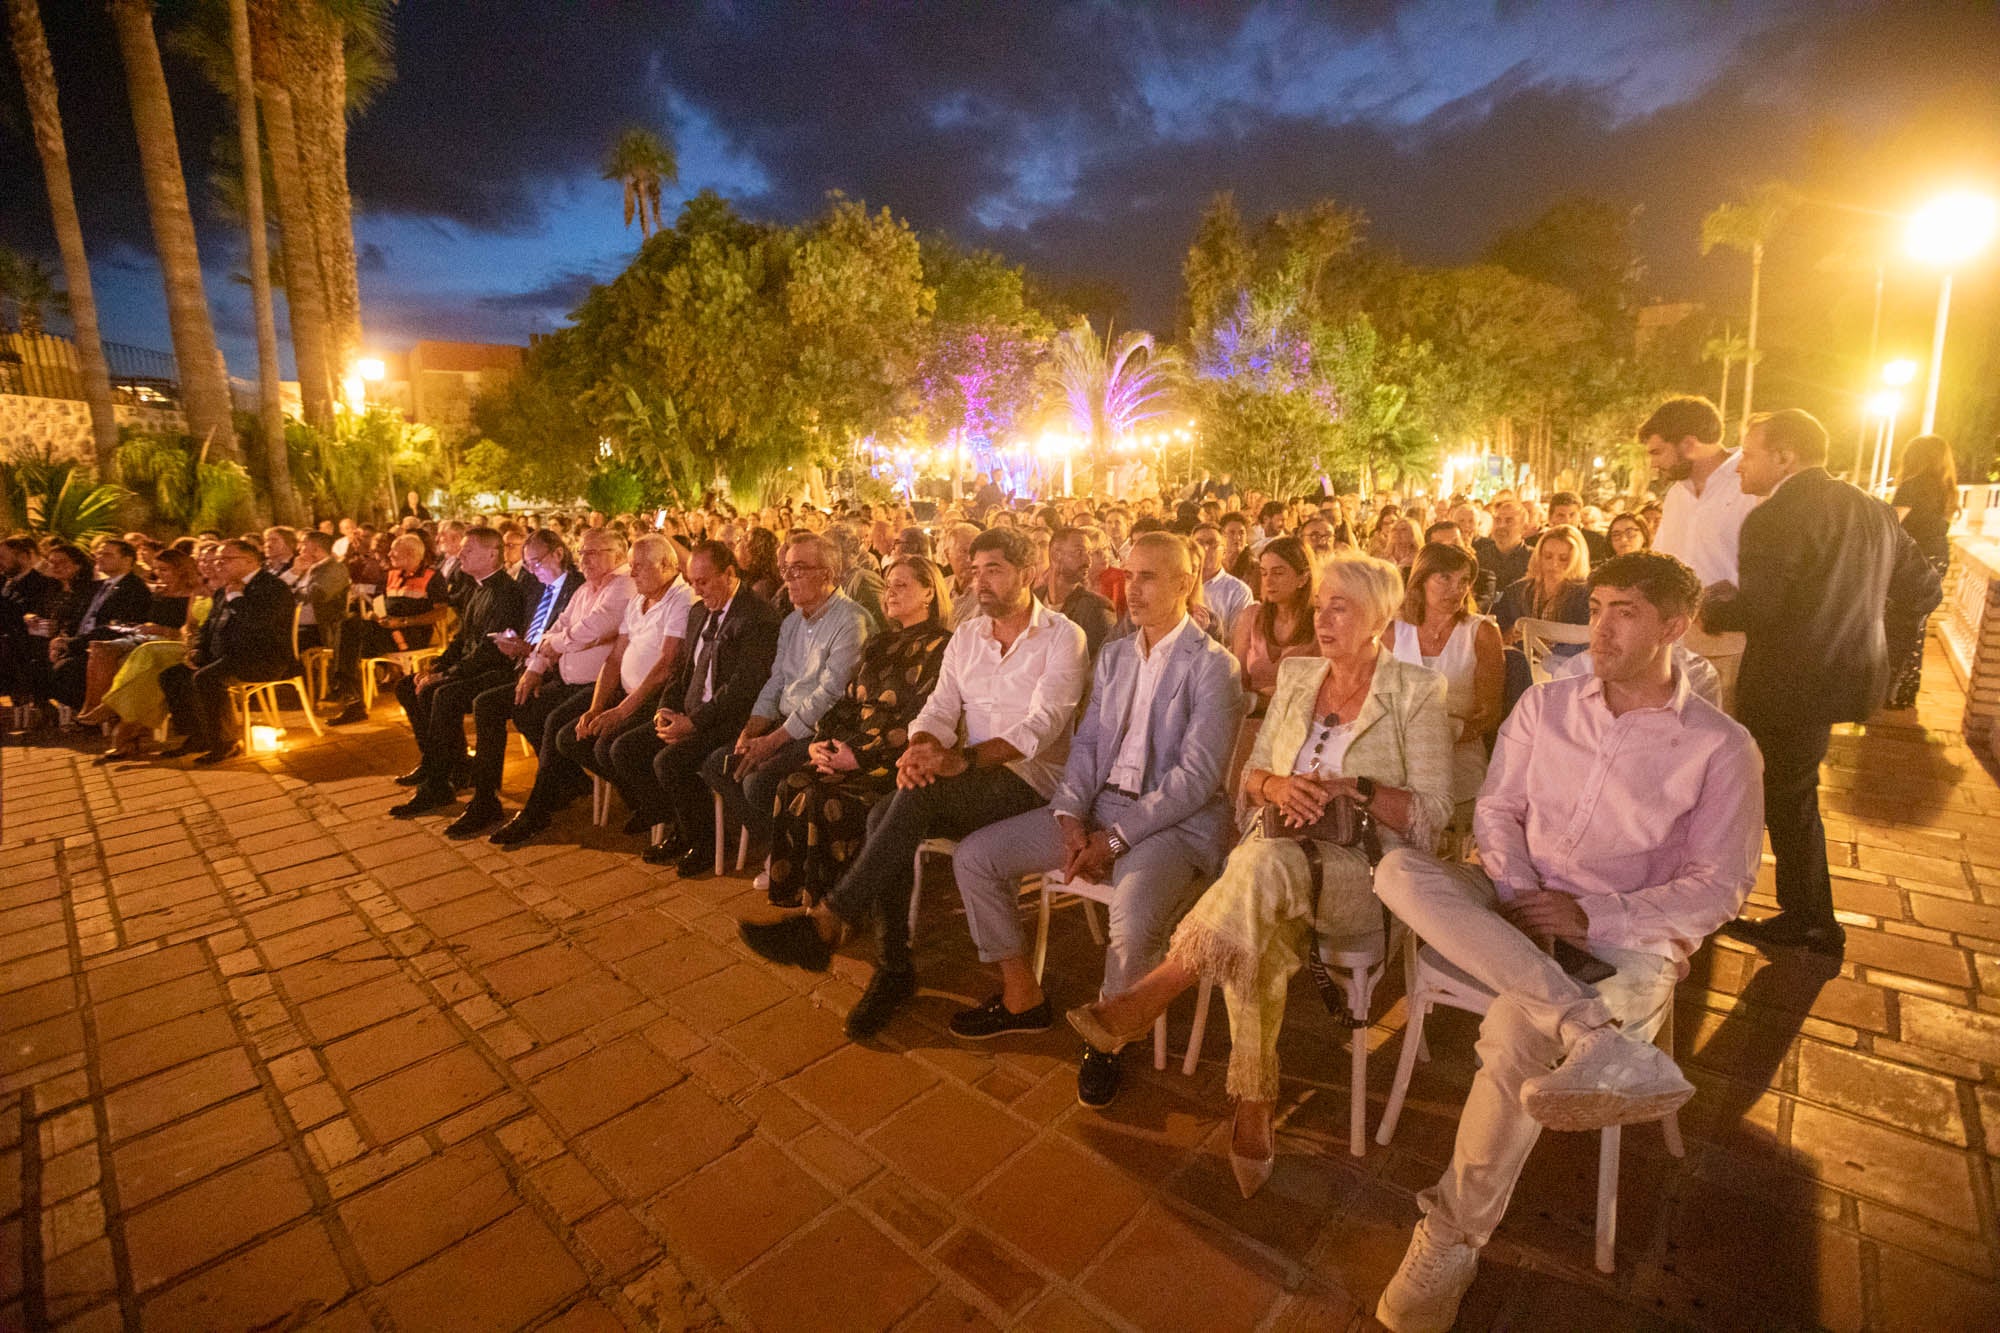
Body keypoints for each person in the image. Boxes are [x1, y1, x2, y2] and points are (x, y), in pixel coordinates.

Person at [1371, 552, 1763, 1333]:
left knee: (1517, 1031)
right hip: (1516, 898)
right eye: (1600, 605)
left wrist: (1590, 916)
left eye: (1626, 611)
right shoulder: (1547, 707)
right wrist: (1521, 895)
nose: (1602, 625)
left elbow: (1719, 886)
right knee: (1399, 872)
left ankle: (1450, 1237)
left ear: (1675, 627)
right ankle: (1588, 1030)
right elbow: (1497, 811)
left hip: (1627, 932)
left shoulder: (1720, 747)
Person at [1067, 554, 1453, 1196]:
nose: (1324, 619)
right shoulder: (1301, 676)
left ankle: (1155, 990)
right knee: (1258, 911)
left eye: (1342, 608)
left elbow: (1433, 817)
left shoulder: (1417, 691)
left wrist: (1350, 789)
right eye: (1321, 603)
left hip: (1362, 876)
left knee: (1253, 872)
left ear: (1379, 618)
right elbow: (1246, 785)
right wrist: (1277, 783)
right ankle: (1252, 1102)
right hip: (1274, 857)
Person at [737, 527, 1089, 1040]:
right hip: (965, 773)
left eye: (994, 570)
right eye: (975, 569)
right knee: (888, 809)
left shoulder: (1062, 636)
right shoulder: (969, 636)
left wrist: (959, 760)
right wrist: (922, 747)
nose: (979, 580)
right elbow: (939, 707)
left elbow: (1042, 727)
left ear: (1028, 575)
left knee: (909, 801)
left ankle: (841, 925)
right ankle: (887, 962)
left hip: (1031, 780)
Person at [948, 533, 1247, 1107]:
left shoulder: (1214, 667)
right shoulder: (1114, 655)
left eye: (1149, 577)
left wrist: (1114, 837)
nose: (1132, 589)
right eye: (1130, 576)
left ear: (1186, 584)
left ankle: (1108, 1040)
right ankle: (1021, 995)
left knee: (1132, 926)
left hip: (1170, 826)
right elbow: (1086, 746)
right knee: (976, 858)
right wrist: (1067, 815)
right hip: (1100, 808)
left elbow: (1195, 780)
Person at [1703, 409, 1941, 956]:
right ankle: (1803, 913)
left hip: (1791, 684)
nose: (1740, 464)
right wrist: (1865, 627)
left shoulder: (1775, 517)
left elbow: (1760, 609)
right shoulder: (1874, 510)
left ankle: (1810, 921)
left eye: (1751, 450)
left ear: (1785, 456)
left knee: (1781, 792)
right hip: (1850, 677)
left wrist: (1713, 605)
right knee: (1788, 791)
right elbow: (1925, 592)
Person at [765, 557, 953, 907]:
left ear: (929, 592)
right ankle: (806, 893)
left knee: (827, 798)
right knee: (792, 782)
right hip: (852, 746)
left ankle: (844, 906)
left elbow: (922, 718)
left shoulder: (942, 647)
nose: (891, 592)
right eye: (888, 585)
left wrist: (862, 758)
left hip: (893, 758)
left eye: (902, 585)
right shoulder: (880, 644)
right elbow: (847, 701)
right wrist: (821, 744)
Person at [494, 534, 687, 846]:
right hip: (611, 688)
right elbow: (609, 657)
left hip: (647, 696)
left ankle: (655, 805)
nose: (632, 571)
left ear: (665, 564)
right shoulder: (612, 593)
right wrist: (596, 707)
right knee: (559, 728)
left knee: (596, 740)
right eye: (582, 552)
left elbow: (664, 663)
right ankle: (631, 797)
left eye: (594, 552)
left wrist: (617, 709)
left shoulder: (638, 590)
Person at [700, 534, 872, 878]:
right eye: (785, 569)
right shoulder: (793, 622)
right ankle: (782, 850)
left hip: (827, 727)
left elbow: (829, 694)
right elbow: (776, 680)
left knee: (758, 782)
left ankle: (794, 863)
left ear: (828, 574)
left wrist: (774, 740)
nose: (787, 579)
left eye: (798, 569)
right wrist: (751, 729)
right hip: (786, 722)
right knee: (719, 765)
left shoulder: (851, 621)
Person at [625, 540, 782, 867]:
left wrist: (694, 724)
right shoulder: (699, 612)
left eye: (704, 581)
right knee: (625, 749)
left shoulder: (757, 616)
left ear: (728, 573)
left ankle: (706, 842)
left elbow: (744, 685)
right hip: (693, 712)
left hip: (731, 720)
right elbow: (682, 670)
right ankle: (679, 824)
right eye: (692, 582)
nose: (697, 590)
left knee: (669, 762)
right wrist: (664, 710)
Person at [447, 529, 599, 840]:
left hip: (560, 672)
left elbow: (577, 641)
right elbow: (537, 629)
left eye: (536, 563)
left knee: (505, 705)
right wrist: (517, 646)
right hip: (527, 664)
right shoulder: (533, 586)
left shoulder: (579, 588)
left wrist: (533, 656)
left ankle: (542, 792)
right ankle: (487, 795)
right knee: (486, 701)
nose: (530, 571)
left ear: (557, 554)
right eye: (527, 565)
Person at [389, 527, 527, 818]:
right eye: (461, 550)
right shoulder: (475, 587)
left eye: (469, 550)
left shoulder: (507, 592)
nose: (460, 555)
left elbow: (491, 650)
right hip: (472, 666)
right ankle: (442, 763)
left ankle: (440, 782)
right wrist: (437, 665)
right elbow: (463, 638)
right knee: (407, 686)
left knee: (441, 693)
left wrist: (447, 674)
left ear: (492, 555)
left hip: (495, 671)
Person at [1389, 543, 1503, 821]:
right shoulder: (1393, 630)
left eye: (1464, 581)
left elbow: (1489, 716)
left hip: (1458, 753)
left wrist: (1436, 736)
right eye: (1445, 578)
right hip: (1396, 749)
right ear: (1421, 580)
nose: (1456, 589)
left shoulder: (1481, 632)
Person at [156, 539, 298, 763]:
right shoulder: (226, 587)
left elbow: (258, 623)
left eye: (225, 560)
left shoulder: (271, 587)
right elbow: (209, 625)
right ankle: (198, 735)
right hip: (225, 655)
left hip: (261, 657)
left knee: (208, 678)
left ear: (249, 561)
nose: (218, 565)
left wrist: (236, 598)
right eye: (217, 560)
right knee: (173, 676)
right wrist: (197, 650)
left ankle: (226, 743)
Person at [79, 548, 210, 759]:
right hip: (161, 643)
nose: (159, 574)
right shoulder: (182, 592)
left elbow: (192, 631)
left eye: (164, 569)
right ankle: (107, 717)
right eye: (156, 569)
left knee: (142, 662)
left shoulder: (211, 591)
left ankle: (111, 711)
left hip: (180, 646)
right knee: (103, 650)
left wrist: (168, 632)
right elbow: (190, 626)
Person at [1642, 395, 1759, 589]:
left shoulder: (1753, 487)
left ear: (1688, 444)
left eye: (1658, 452)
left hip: (1737, 617)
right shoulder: (1676, 495)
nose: (1653, 464)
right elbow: (1661, 563)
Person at [1887, 434, 1957, 708]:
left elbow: (1891, 526)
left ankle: (1890, 691)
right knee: (1916, 626)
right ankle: (1905, 691)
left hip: (1914, 562)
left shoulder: (1912, 486)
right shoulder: (1945, 489)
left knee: (1900, 626)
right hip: (1938, 559)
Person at [47, 538, 152, 711]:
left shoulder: (134, 589)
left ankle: (94, 714)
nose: (100, 558)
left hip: (104, 648)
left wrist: (72, 643)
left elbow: (116, 627)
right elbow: (77, 618)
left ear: (127, 560)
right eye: (99, 554)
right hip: (80, 644)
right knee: (36, 662)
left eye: (108, 555)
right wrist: (61, 639)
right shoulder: (96, 587)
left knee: (65, 671)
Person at [1492, 525, 1590, 642]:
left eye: (1563, 558)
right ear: (1538, 556)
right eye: (1548, 556)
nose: (1554, 564)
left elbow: (1588, 639)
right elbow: (1494, 628)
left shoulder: (1586, 595)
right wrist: (1509, 634)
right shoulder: (1516, 591)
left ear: (1576, 561)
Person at [1043, 527, 1116, 657]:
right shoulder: (1033, 599)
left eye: (1089, 553)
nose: (1088, 561)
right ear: (1056, 555)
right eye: (1079, 552)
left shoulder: (1096, 609)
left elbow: (1103, 668)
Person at [1191, 522, 1252, 642]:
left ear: (1224, 551)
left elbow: (1238, 641)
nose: (1205, 548)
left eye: (1213, 543)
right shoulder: (1180, 584)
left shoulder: (1238, 592)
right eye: (1199, 543)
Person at [1471, 498, 1531, 591]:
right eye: (1497, 520)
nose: (1501, 526)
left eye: (1509, 521)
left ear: (1524, 528)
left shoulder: (1534, 560)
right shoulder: (1480, 559)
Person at [1546, 491, 1613, 564]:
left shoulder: (1597, 542)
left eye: (1572, 515)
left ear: (1579, 516)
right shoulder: (1540, 543)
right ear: (1550, 517)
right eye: (1561, 515)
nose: (1567, 520)